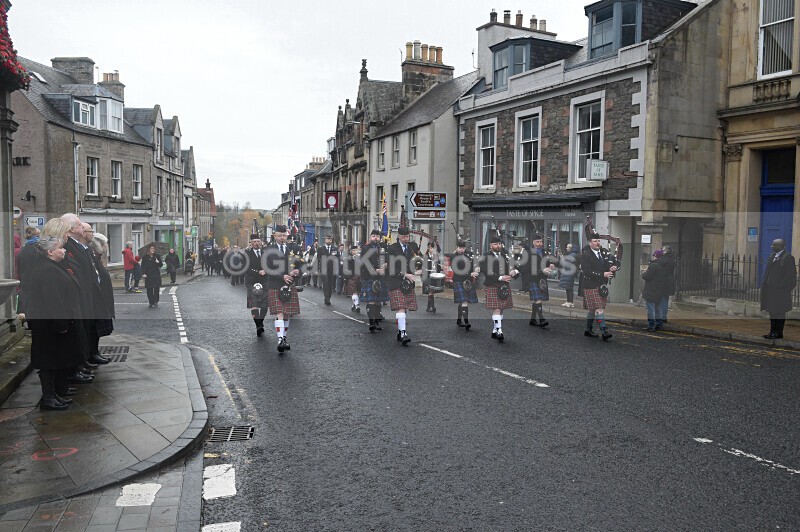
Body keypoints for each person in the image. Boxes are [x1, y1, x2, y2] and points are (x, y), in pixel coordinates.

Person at [27, 237, 84, 410]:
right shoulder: (47, 270)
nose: (64, 250)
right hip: (47, 325)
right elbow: (53, 300)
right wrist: (61, 323)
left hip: (50, 323)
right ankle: (48, 398)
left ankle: (54, 395)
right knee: (48, 361)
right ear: (50, 252)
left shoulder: (52, 267)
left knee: (54, 359)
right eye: (60, 248)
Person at [61, 214, 102, 379]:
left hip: (85, 296)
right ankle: (77, 366)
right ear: (72, 229)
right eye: (80, 225)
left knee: (83, 332)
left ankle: (82, 362)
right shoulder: (70, 246)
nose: (83, 229)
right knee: (78, 334)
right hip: (78, 299)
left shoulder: (77, 246)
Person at [264, 225, 302, 352]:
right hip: (275, 285)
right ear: (275, 236)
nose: (282, 238)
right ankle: (280, 339)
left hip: (289, 285)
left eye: (284, 235)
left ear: (287, 235)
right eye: (279, 235)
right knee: (279, 313)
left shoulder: (294, 248)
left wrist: (298, 271)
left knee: (286, 314)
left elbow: (302, 264)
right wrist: (282, 276)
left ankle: (284, 338)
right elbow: (267, 268)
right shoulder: (269, 250)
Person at [475, 234, 519, 342]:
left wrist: (514, 272)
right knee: (497, 309)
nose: (498, 246)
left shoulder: (505, 255)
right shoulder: (486, 256)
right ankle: (499, 330)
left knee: (501, 309)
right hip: (493, 285)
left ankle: (495, 330)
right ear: (491, 245)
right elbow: (486, 272)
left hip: (504, 285)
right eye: (495, 244)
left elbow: (512, 267)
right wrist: (500, 277)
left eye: (499, 244)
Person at [580, 233, 619, 341]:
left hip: (601, 286)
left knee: (592, 310)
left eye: (598, 241)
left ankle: (588, 330)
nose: (597, 243)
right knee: (599, 309)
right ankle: (604, 331)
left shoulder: (603, 253)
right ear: (590, 243)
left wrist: (613, 267)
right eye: (595, 241)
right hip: (590, 285)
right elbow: (586, 271)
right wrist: (602, 274)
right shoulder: (586, 255)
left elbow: (610, 264)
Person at [386, 227, 419, 345]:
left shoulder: (413, 247)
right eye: (404, 237)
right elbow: (391, 267)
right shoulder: (392, 248)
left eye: (408, 236)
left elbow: (417, 262)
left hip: (408, 282)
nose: (406, 239)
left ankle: (400, 332)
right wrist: (405, 275)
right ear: (399, 236)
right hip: (396, 281)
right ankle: (404, 333)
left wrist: (418, 270)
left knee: (404, 308)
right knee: (401, 307)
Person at [760, 238, 797, 339]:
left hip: (780, 292)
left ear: (781, 246)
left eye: (775, 245)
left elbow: (791, 276)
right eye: (772, 245)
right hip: (770, 291)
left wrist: (781, 287)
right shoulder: (772, 257)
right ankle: (772, 332)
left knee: (780, 312)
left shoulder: (788, 257)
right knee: (772, 312)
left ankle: (779, 332)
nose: (772, 246)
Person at [89, 233, 114, 362]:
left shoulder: (97, 258)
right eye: (105, 244)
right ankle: (92, 354)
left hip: (101, 300)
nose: (107, 246)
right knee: (94, 331)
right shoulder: (93, 258)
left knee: (96, 332)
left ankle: (95, 352)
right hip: (96, 301)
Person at [361, 229, 389, 332]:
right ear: (370, 237)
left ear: (380, 238)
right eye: (373, 236)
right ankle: (371, 323)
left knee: (378, 302)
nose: (375, 238)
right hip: (369, 277)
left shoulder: (383, 248)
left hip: (381, 277)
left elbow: (388, 260)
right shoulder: (365, 248)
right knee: (371, 300)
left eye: (377, 236)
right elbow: (363, 262)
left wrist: (386, 265)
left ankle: (376, 322)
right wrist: (374, 270)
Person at [529, 233, 556, 328]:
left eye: (540, 241)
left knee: (537, 299)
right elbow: (529, 267)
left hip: (542, 279)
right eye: (537, 242)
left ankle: (532, 319)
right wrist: (541, 270)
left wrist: (551, 265)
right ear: (533, 242)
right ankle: (541, 319)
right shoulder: (529, 252)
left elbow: (549, 261)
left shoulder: (544, 252)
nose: (540, 243)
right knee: (538, 298)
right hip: (533, 278)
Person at [450, 240, 478, 330]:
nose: (462, 249)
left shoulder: (467, 257)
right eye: (460, 248)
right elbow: (457, 271)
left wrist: (476, 269)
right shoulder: (454, 257)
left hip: (467, 281)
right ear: (457, 247)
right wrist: (470, 274)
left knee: (463, 302)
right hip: (458, 280)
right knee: (464, 301)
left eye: (463, 248)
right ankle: (466, 322)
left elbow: (472, 267)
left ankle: (459, 320)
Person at [245, 234, 269, 337]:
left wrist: (266, 270)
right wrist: (258, 272)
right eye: (254, 242)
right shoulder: (247, 254)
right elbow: (246, 268)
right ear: (251, 243)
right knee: (254, 305)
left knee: (264, 306)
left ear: (261, 242)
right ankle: (258, 326)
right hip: (252, 282)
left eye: (258, 241)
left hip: (264, 282)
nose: (256, 244)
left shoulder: (265, 253)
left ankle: (260, 322)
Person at [641, 249, 671, 332]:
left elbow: (647, 276)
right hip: (660, 289)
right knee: (658, 308)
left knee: (651, 308)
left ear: (656, 256)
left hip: (651, 289)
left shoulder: (654, 265)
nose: (653, 257)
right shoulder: (665, 265)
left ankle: (651, 325)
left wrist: (643, 273)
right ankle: (659, 325)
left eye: (654, 255)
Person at [317, 234, 340, 306]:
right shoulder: (321, 249)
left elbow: (338, 258)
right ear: (325, 240)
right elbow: (318, 260)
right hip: (324, 269)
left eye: (330, 239)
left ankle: (328, 298)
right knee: (326, 284)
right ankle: (327, 299)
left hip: (332, 269)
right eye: (328, 239)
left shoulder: (335, 249)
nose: (329, 241)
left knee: (330, 285)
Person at [342, 244, 362, 313]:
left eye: (356, 250)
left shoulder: (361, 258)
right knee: (354, 292)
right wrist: (345, 277)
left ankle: (354, 305)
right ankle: (357, 306)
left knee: (358, 293)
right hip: (351, 277)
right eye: (353, 250)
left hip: (359, 277)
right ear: (351, 251)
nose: (355, 251)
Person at [659, 246, 676, 323]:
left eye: (663, 250)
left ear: (665, 251)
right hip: (670, 281)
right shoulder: (673, 260)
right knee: (665, 298)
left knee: (661, 299)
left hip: (662, 281)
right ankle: (664, 316)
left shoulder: (662, 260)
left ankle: (660, 316)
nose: (662, 251)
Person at [422, 242, 441, 313]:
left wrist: (440, 267)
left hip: (434, 276)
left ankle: (429, 307)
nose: (431, 249)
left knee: (432, 291)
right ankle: (432, 307)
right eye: (430, 247)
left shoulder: (436, 256)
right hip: (427, 275)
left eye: (432, 247)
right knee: (430, 291)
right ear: (428, 248)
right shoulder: (425, 256)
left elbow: (438, 267)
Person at [559, 243, 579, 308]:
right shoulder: (572, 255)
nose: (566, 248)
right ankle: (568, 301)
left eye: (568, 247)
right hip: (568, 273)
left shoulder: (573, 255)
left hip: (569, 273)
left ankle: (571, 302)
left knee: (569, 288)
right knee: (568, 288)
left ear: (571, 248)